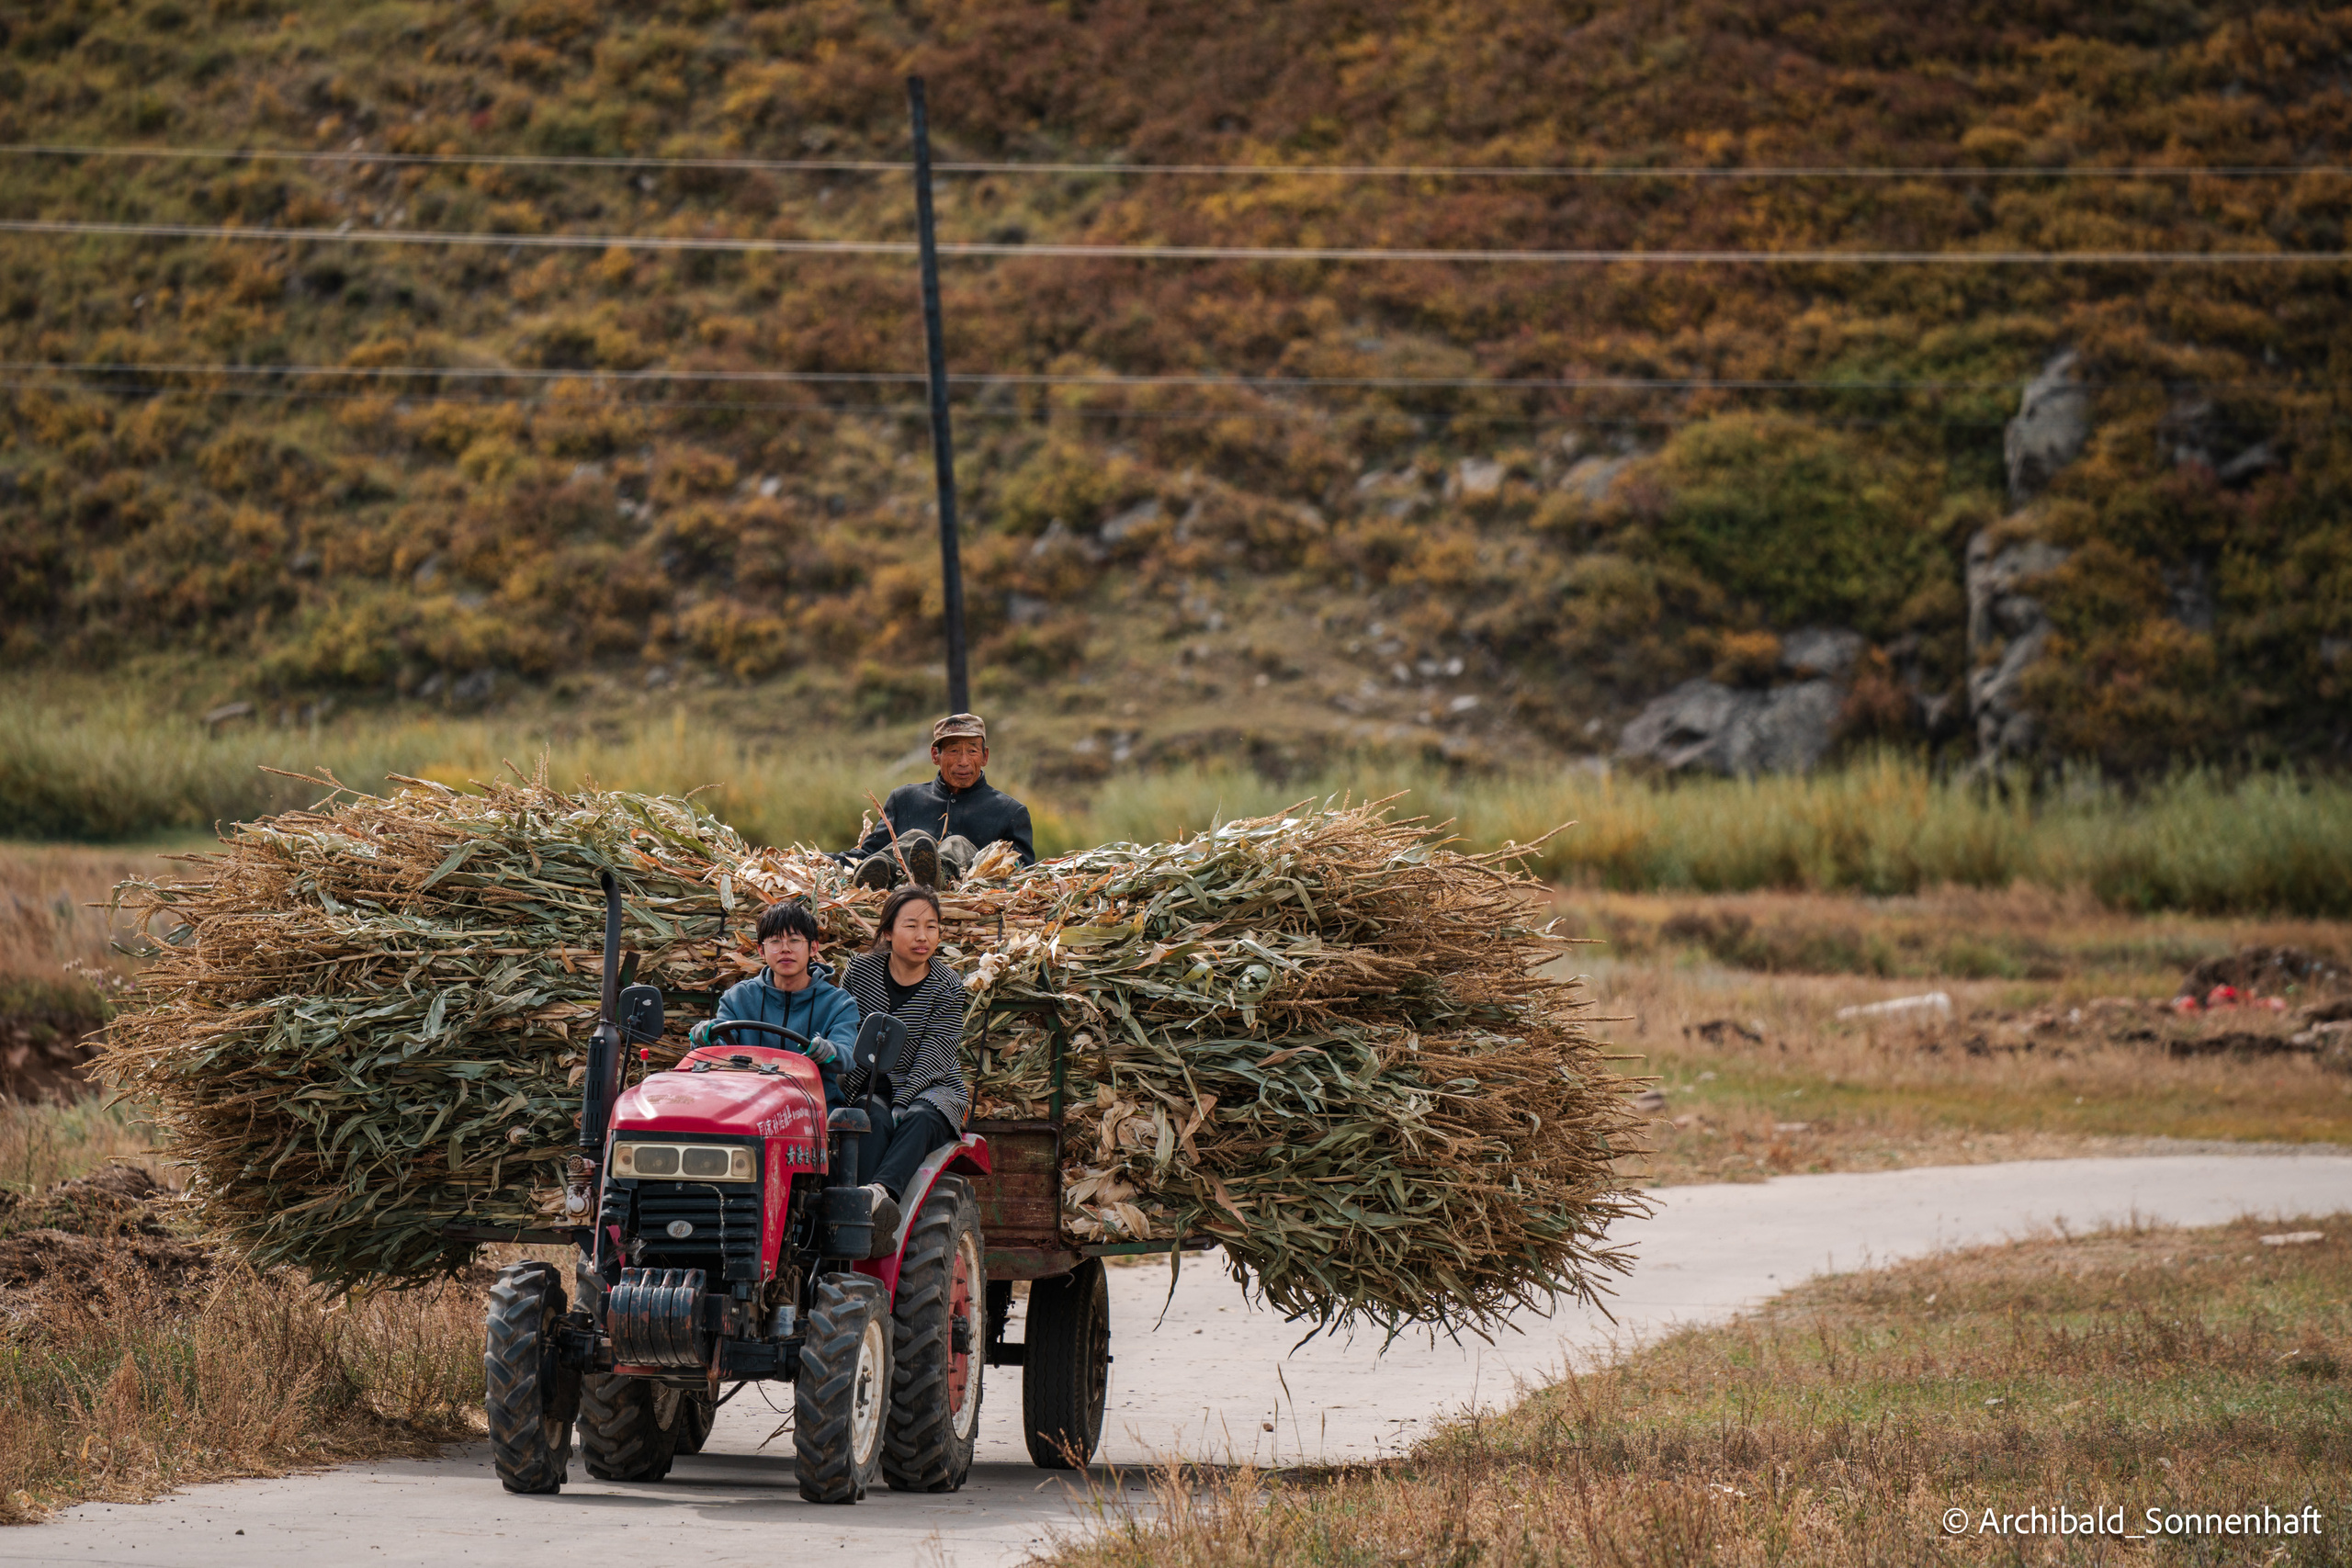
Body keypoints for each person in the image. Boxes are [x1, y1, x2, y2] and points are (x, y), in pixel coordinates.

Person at [835, 885, 970, 1235]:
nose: (922, 936)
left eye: (931, 926)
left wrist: (903, 1102)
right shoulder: (861, 971)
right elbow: (846, 1028)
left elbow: (935, 1051)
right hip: (871, 1084)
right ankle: (859, 1223)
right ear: (888, 931)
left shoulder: (947, 984)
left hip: (933, 1086)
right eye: (911, 925)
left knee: (919, 1119)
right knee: (871, 1120)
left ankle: (880, 1196)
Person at [692, 901, 861, 1107]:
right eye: (775, 942)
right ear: (761, 951)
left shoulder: (839, 1003)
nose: (785, 949)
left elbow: (847, 1055)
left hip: (813, 1104)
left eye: (795, 940)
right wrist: (705, 1039)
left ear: (813, 947)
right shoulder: (738, 997)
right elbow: (721, 1053)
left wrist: (828, 1050)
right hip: (746, 1102)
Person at [847, 712, 1035, 891]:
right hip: (903, 893)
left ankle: (941, 875)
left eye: (972, 751)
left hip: (966, 896)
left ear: (984, 756)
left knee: (958, 843)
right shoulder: (904, 799)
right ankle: (878, 879)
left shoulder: (1010, 812)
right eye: (954, 750)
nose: (963, 761)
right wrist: (822, 859)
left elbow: (1022, 873)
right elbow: (867, 854)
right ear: (935, 755)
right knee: (915, 839)